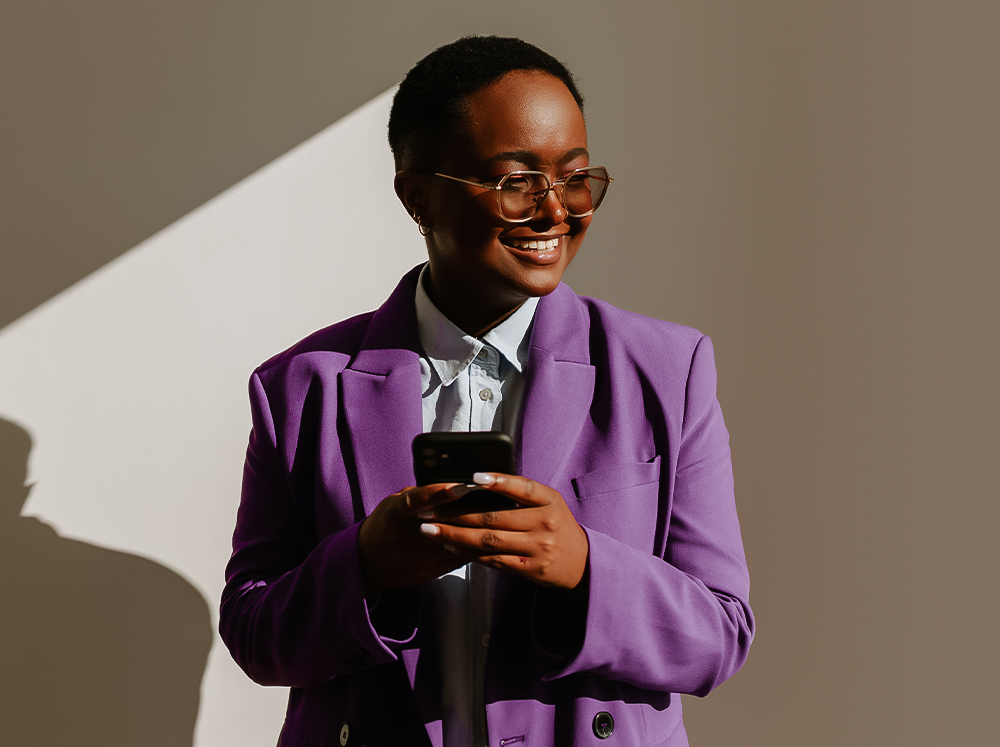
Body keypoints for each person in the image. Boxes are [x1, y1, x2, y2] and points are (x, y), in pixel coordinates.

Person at [220, 36, 753, 747]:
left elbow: (721, 634)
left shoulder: (666, 368)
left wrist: (585, 566)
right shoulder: (298, 387)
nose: (557, 209)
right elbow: (256, 635)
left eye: (573, 176)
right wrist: (367, 562)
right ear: (419, 196)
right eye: (516, 180)